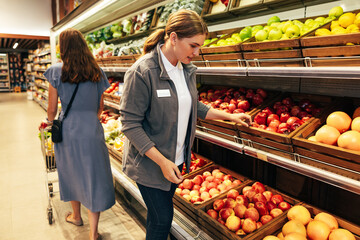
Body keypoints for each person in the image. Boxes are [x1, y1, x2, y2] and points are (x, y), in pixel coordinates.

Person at [119, 9, 251, 240]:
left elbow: (192, 105)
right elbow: (130, 124)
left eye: (200, 46)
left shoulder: (186, 70)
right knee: (162, 219)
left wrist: (230, 116)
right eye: (193, 45)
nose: (197, 52)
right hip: (151, 164)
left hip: (176, 161)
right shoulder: (142, 72)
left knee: (156, 217)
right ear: (173, 38)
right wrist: (161, 161)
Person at [44, 28, 115, 240]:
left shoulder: (56, 71)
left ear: (63, 48)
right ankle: (94, 234)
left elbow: (51, 110)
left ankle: (76, 216)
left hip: (68, 130)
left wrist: (48, 123)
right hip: (91, 129)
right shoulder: (96, 71)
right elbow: (100, 106)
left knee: (71, 173)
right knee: (93, 176)